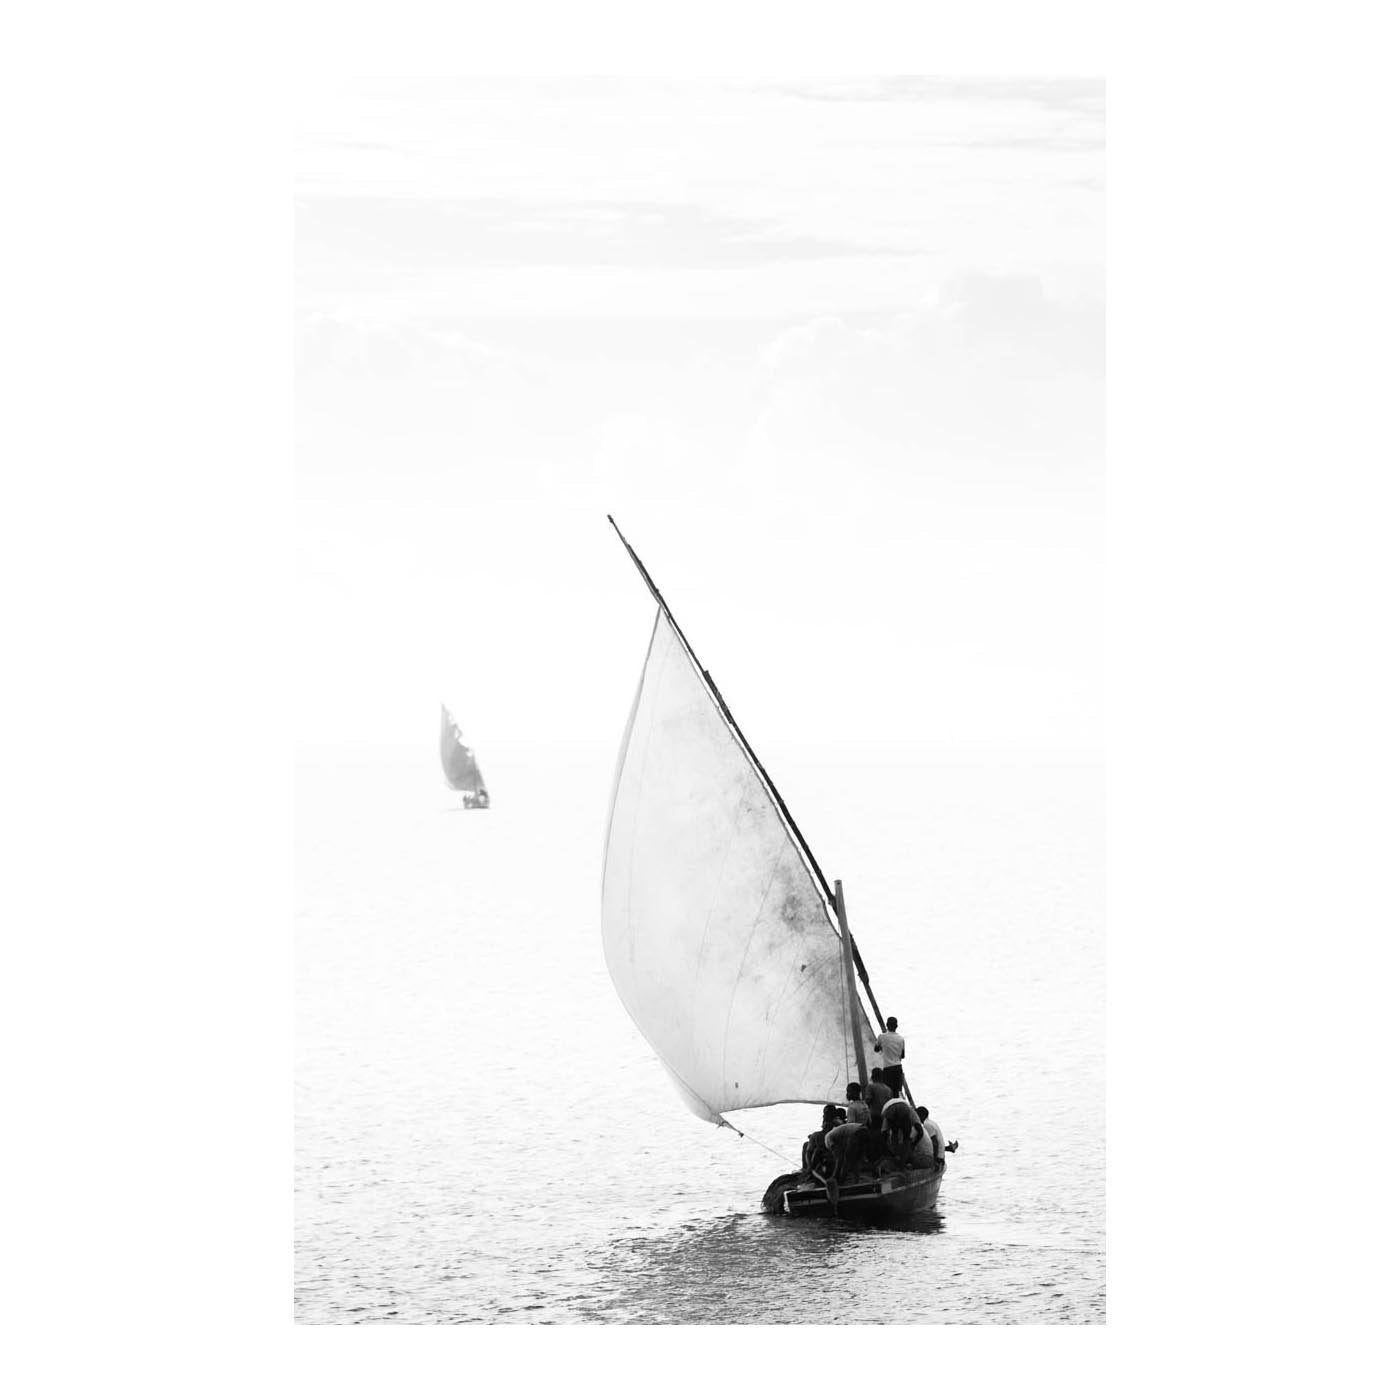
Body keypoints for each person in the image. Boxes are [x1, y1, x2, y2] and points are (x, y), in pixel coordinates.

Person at [881, 1099, 926, 1167]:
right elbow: (920, 1132)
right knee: (906, 1139)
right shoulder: (911, 1112)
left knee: (895, 1135)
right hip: (901, 1109)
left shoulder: (887, 1115)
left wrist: (889, 1152)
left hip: (891, 1109)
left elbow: (884, 1134)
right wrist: (912, 1145)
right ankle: (901, 1164)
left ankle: (897, 1160)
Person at [802, 1104, 845, 1173]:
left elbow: (827, 1133)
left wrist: (813, 1136)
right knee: (809, 1143)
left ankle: (807, 1168)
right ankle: (808, 1167)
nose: (823, 1115)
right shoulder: (838, 1121)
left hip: (829, 1145)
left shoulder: (835, 1122)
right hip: (829, 1143)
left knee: (807, 1146)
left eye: (825, 1113)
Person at [873, 1017, 907, 1098]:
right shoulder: (901, 1038)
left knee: (887, 1093)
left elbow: (876, 1049)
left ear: (887, 1025)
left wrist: (883, 1047)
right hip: (898, 1068)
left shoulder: (882, 1037)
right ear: (896, 1026)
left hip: (888, 1068)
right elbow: (902, 1055)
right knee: (896, 1092)